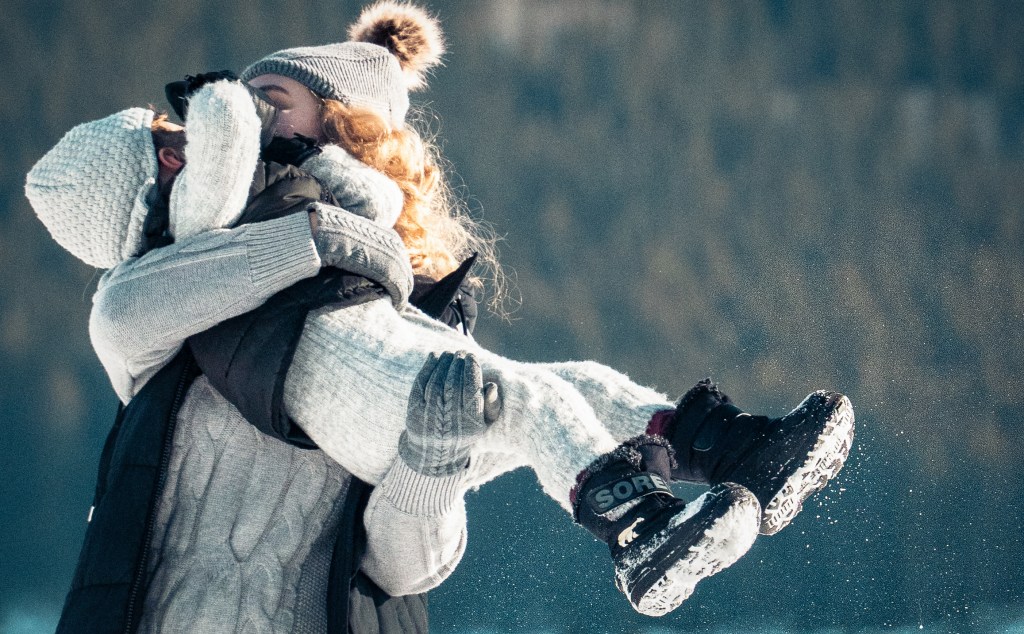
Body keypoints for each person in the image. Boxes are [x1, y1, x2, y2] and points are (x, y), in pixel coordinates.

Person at [26, 1, 855, 627]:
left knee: (568, 387)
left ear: (346, 131)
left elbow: (406, 569)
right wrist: (326, 236)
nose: (242, 116)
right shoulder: (162, 286)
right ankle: (638, 526)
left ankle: (733, 453)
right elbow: (128, 308)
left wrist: (429, 464)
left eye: (271, 98)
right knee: (538, 401)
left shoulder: (401, 311)